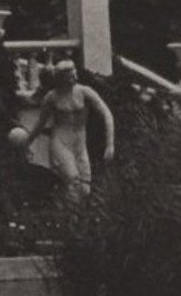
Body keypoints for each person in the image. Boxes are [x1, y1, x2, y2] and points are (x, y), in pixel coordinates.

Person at [24, 60, 115, 201]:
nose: (74, 78)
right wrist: (27, 141)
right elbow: (40, 124)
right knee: (72, 180)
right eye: (70, 76)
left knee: (85, 187)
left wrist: (110, 144)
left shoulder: (84, 92)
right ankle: (70, 217)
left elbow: (106, 114)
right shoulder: (52, 97)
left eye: (75, 74)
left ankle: (70, 215)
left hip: (79, 141)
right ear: (61, 78)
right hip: (61, 141)